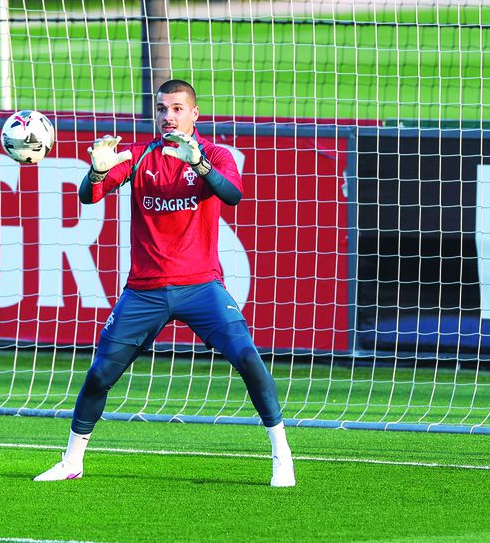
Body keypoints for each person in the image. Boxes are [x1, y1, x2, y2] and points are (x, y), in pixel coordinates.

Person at [34, 79, 295, 487]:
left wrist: (200, 166)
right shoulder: (138, 157)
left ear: (194, 114)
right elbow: (89, 196)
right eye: (161, 109)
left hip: (201, 287)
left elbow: (233, 195)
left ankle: (282, 455)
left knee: (247, 356)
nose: (167, 116)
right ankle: (71, 461)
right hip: (145, 290)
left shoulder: (213, 154)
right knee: (101, 373)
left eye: (176, 108)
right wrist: (96, 170)